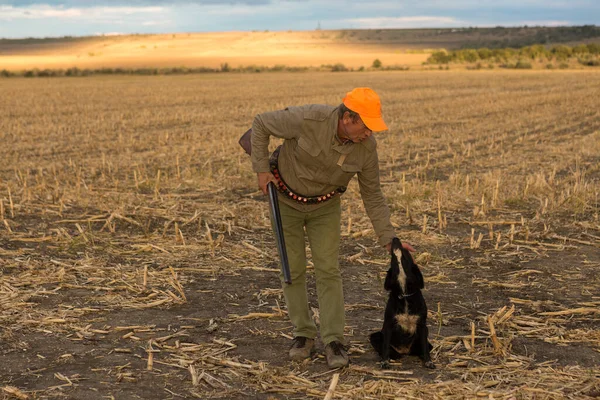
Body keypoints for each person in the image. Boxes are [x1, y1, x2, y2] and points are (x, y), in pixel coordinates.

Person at [250, 87, 414, 368]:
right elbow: (261, 123)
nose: (369, 134)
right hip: (286, 202)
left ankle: (334, 340)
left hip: (324, 208)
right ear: (348, 118)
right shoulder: (310, 119)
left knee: (328, 269)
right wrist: (262, 169)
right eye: (366, 126)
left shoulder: (366, 149)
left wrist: (388, 238)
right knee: (294, 269)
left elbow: (372, 194)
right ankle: (303, 334)